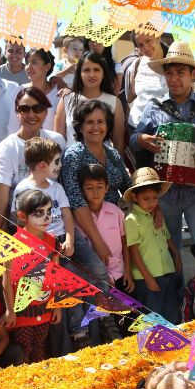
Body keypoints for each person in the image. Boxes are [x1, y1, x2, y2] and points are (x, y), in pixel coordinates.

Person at [131, 41, 195, 253]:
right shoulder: (154, 106)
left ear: (192, 74)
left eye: (180, 72)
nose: (174, 78)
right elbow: (134, 139)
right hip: (166, 195)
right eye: (169, 73)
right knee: (169, 252)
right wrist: (141, 139)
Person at [60, 100, 131, 290]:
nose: (96, 127)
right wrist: (97, 241)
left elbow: (129, 188)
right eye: (90, 122)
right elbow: (76, 201)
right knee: (97, 282)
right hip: (86, 231)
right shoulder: (73, 155)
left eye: (100, 121)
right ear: (80, 127)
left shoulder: (112, 153)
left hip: (114, 225)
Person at [0, 190, 62, 364]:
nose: (46, 217)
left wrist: (56, 305)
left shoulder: (52, 241)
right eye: (39, 213)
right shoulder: (13, 244)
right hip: (22, 310)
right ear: (22, 216)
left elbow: (56, 274)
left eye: (49, 211)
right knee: (24, 348)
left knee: (40, 346)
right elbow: (6, 279)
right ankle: (24, 380)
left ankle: (38, 379)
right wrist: (10, 310)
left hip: (45, 307)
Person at [0, 87, 65, 224]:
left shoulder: (57, 140)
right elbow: (0, 197)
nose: (31, 114)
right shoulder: (7, 147)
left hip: (55, 222)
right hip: (22, 224)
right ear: (17, 112)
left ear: (46, 112)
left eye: (38, 108)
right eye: (24, 109)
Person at [77, 164, 133, 334]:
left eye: (99, 187)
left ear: (107, 188)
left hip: (120, 275)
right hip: (97, 279)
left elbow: (125, 242)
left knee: (126, 321)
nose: (95, 192)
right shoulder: (80, 218)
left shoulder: (115, 211)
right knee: (105, 325)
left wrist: (128, 271)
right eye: (89, 188)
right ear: (82, 190)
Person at [123, 168, 181, 325]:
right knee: (151, 319)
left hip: (166, 270)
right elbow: (133, 251)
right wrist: (147, 277)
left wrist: (176, 254)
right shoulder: (132, 219)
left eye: (155, 198)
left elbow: (166, 236)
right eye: (146, 199)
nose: (151, 203)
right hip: (146, 276)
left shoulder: (157, 214)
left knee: (170, 314)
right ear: (135, 197)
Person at [11, 137, 74, 257]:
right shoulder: (23, 189)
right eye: (57, 161)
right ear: (43, 165)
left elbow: (67, 215)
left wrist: (69, 240)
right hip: (41, 243)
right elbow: (19, 221)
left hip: (64, 236)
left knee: (97, 266)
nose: (60, 165)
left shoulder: (57, 188)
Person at [54, 51, 125, 153]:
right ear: (79, 74)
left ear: (103, 74)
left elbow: (118, 143)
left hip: (103, 161)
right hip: (71, 161)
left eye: (96, 70)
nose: (91, 75)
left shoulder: (114, 102)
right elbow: (58, 141)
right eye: (86, 70)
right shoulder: (67, 99)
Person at [6, 49, 60, 133]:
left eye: (34, 62)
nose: (28, 67)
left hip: (52, 141)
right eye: (27, 62)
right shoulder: (20, 91)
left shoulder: (59, 92)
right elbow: (13, 126)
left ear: (47, 66)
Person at [125, 31, 169, 132]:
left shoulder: (175, 62)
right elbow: (130, 97)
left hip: (163, 129)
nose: (146, 47)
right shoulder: (137, 63)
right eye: (140, 45)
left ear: (158, 37)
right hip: (136, 126)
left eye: (148, 41)